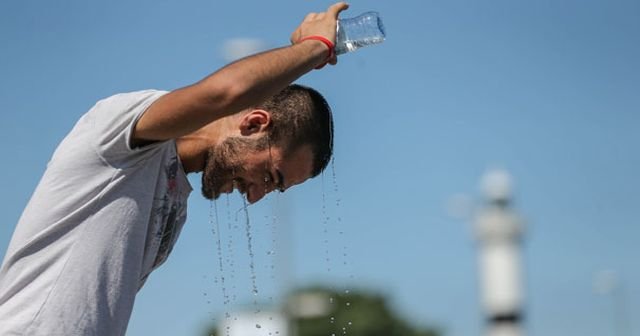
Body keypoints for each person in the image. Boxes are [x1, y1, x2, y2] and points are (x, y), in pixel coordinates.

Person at [0, 2, 349, 335]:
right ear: (254, 124)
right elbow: (225, 93)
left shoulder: (174, 203)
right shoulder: (120, 133)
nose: (255, 196)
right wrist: (315, 48)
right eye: (270, 177)